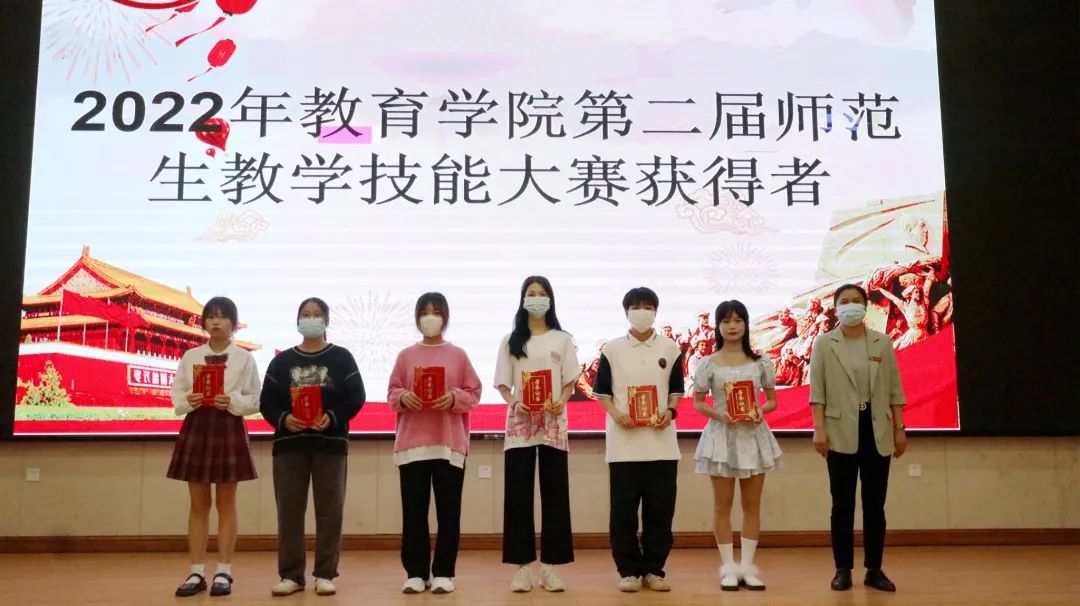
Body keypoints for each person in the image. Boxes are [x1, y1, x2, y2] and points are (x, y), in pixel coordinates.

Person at [259, 297, 367, 597]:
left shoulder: (342, 358)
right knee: (289, 511)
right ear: (297, 321)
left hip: (330, 445)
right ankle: (291, 575)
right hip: (289, 446)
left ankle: (325, 574)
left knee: (330, 511)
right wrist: (284, 418)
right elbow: (267, 402)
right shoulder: (282, 362)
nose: (310, 319)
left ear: (326, 321)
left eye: (316, 314)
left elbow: (356, 397)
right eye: (305, 314)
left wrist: (332, 417)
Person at [809, 284, 908, 593]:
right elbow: (817, 391)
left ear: (865, 306)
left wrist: (900, 428)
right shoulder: (824, 343)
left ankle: (874, 570)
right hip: (839, 431)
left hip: (876, 430)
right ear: (836, 307)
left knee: (875, 506)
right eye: (844, 301)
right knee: (842, 505)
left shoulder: (882, 342)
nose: (851, 305)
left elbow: (894, 388)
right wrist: (819, 429)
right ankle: (842, 570)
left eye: (856, 301)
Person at [387, 292, 482, 595]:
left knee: (448, 512)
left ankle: (443, 572)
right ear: (417, 318)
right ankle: (416, 573)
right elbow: (392, 393)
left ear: (446, 317)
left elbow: (474, 393)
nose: (430, 317)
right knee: (413, 512)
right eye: (425, 312)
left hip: (449, 444)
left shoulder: (458, 355)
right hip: (412, 445)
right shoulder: (406, 356)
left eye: (436, 312)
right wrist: (404, 397)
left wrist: (454, 397)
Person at [591, 287, 684, 593]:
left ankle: (655, 569)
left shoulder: (670, 348)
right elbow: (602, 392)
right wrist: (617, 414)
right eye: (636, 306)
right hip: (624, 446)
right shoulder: (612, 349)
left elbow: (676, 390)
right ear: (626, 312)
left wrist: (670, 412)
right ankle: (628, 570)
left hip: (662, 445)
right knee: (623, 512)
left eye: (648, 306)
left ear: (656, 311)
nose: (642, 311)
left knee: (661, 511)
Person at [168, 296, 261, 598]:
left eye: (222, 317)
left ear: (233, 323)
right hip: (197, 426)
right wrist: (189, 400)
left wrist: (232, 401)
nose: (216, 322)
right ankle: (196, 572)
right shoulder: (191, 356)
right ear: (204, 323)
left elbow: (254, 400)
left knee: (226, 504)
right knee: (198, 505)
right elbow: (177, 395)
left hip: (228, 426)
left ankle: (224, 571)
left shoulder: (244, 358)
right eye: (210, 317)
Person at [494, 276, 581, 592]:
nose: (537, 298)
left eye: (542, 293)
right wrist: (514, 402)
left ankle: (550, 567)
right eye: (531, 293)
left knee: (555, 495)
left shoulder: (563, 339)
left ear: (550, 299)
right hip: (520, 427)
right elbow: (503, 383)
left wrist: (562, 400)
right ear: (522, 300)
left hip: (553, 426)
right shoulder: (511, 340)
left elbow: (570, 381)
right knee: (518, 496)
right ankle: (522, 568)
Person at [692, 300, 781, 591]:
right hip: (721, 438)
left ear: (746, 324)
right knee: (723, 505)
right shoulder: (708, 363)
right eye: (726, 321)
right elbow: (698, 403)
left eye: (738, 320)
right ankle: (728, 568)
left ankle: (748, 568)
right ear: (718, 326)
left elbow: (772, 401)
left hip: (753, 437)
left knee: (752, 505)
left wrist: (760, 410)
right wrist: (719, 414)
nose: (732, 326)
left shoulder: (761, 362)